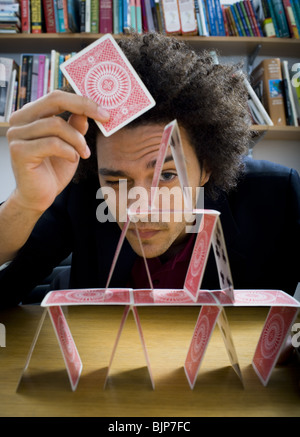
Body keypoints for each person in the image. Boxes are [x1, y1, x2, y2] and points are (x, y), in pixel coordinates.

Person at [0, 32, 299, 309]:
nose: (140, 208)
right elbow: (9, 286)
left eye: (166, 175)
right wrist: (25, 203)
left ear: (207, 167)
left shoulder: (279, 196)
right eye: (117, 180)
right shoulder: (82, 193)